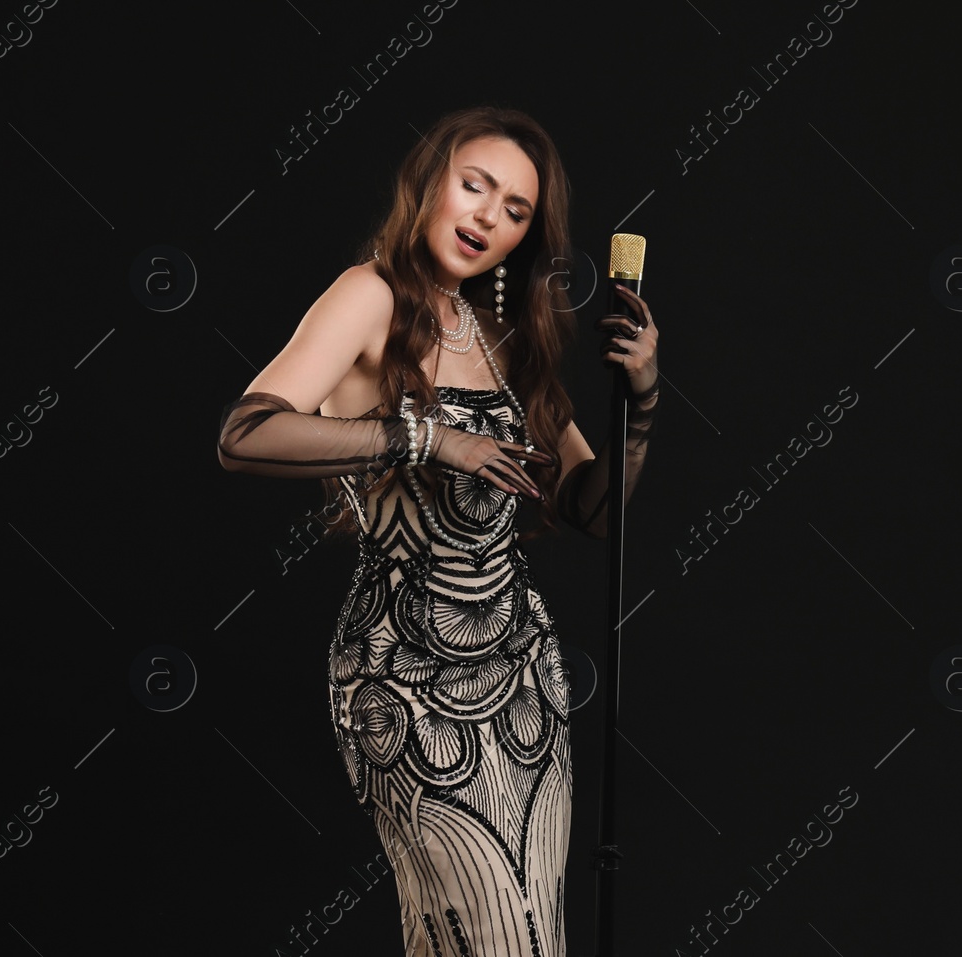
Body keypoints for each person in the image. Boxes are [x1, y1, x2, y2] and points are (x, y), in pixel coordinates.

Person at [216, 104, 660, 957]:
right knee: (483, 935)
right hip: (408, 675)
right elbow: (245, 432)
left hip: (524, 676)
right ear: (430, 185)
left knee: (528, 935)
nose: (488, 216)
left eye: (516, 210)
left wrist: (640, 400)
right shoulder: (368, 294)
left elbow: (590, 512)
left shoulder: (502, 338)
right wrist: (431, 436)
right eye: (475, 185)